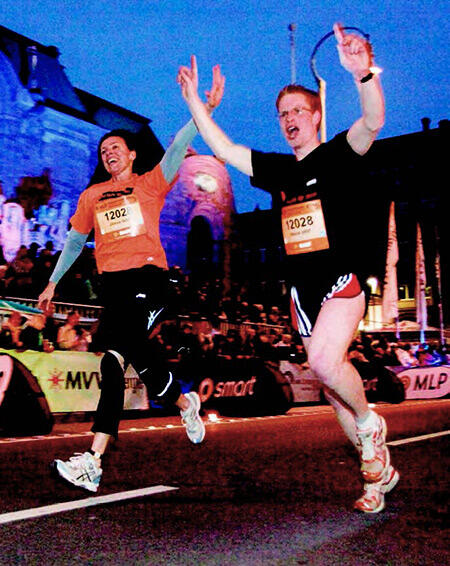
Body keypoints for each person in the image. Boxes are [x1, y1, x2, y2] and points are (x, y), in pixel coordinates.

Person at [177, 24, 398, 513]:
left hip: (341, 282)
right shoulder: (278, 169)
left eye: (298, 110)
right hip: (301, 293)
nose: (290, 118)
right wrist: (195, 103)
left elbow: (373, 119)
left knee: (323, 363)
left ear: (316, 116)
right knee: (332, 389)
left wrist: (363, 73)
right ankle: (375, 474)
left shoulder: (338, 153)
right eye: (283, 114)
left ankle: (370, 424)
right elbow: (225, 150)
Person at [37, 64, 225, 493]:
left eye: (116, 147)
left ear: (132, 154)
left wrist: (203, 109)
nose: (109, 153)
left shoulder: (150, 183)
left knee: (123, 353)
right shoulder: (92, 196)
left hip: (149, 280)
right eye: (104, 150)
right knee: (117, 363)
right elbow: (74, 241)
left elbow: (178, 146)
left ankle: (93, 460)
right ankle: (181, 403)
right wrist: (52, 282)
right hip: (114, 288)